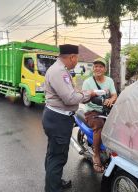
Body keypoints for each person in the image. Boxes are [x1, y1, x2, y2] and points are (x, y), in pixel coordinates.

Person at [42, 44, 96, 192]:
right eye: (77, 58)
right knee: (58, 157)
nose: (76, 61)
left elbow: (71, 93)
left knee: (53, 153)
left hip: (54, 117)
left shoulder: (60, 69)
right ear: (72, 57)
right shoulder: (59, 71)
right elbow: (70, 98)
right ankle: (53, 188)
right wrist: (89, 94)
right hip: (58, 120)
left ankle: (55, 182)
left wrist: (83, 95)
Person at [82, 58, 117, 173]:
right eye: (96, 66)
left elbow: (114, 95)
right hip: (92, 112)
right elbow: (84, 99)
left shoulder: (109, 81)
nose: (98, 68)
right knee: (99, 125)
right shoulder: (87, 82)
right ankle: (96, 154)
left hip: (106, 110)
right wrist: (95, 99)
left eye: (100, 66)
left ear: (105, 69)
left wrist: (111, 100)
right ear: (93, 69)